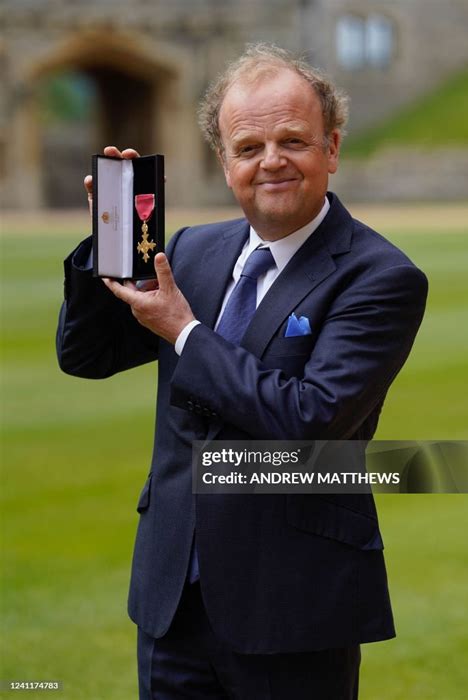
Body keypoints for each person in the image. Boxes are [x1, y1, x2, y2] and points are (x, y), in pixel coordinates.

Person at [56, 44, 428, 700]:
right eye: (249, 147)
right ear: (224, 162)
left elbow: (308, 418)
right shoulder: (192, 250)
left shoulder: (381, 276)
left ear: (332, 148)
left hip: (294, 605)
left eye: (293, 140)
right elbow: (87, 357)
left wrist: (183, 329)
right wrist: (104, 239)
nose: (272, 161)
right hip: (173, 596)